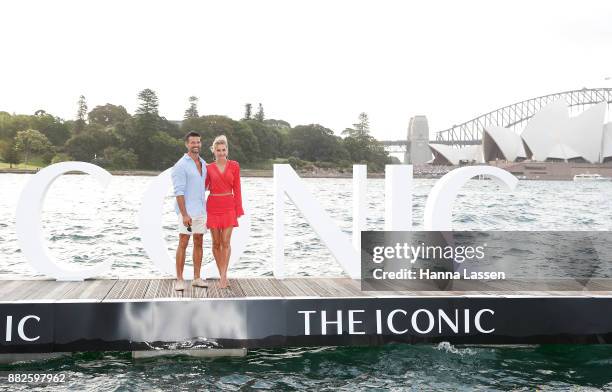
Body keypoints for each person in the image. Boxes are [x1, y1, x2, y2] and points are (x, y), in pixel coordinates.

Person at [171, 131, 209, 291]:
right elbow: (178, 192)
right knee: (183, 242)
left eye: (198, 142)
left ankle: (196, 278)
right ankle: (179, 279)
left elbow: (204, 186)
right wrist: (184, 214)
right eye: (193, 142)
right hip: (186, 211)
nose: (196, 145)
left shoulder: (203, 163)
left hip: (201, 210)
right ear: (187, 144)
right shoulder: (180, 165)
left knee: (199, 242)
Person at [205, 135, 244, 288]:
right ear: (213, 151)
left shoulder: (234, 165)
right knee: (216, 243)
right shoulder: (208, 168)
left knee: (226, 242)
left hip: (229, 206)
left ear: (227, 150)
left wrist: (238, 208)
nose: (221, 153)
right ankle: (221, 272)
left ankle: (223, 275)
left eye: (223, 150)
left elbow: (238, 188)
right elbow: (204, 186)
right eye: (218, 150)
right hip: (213, 205)